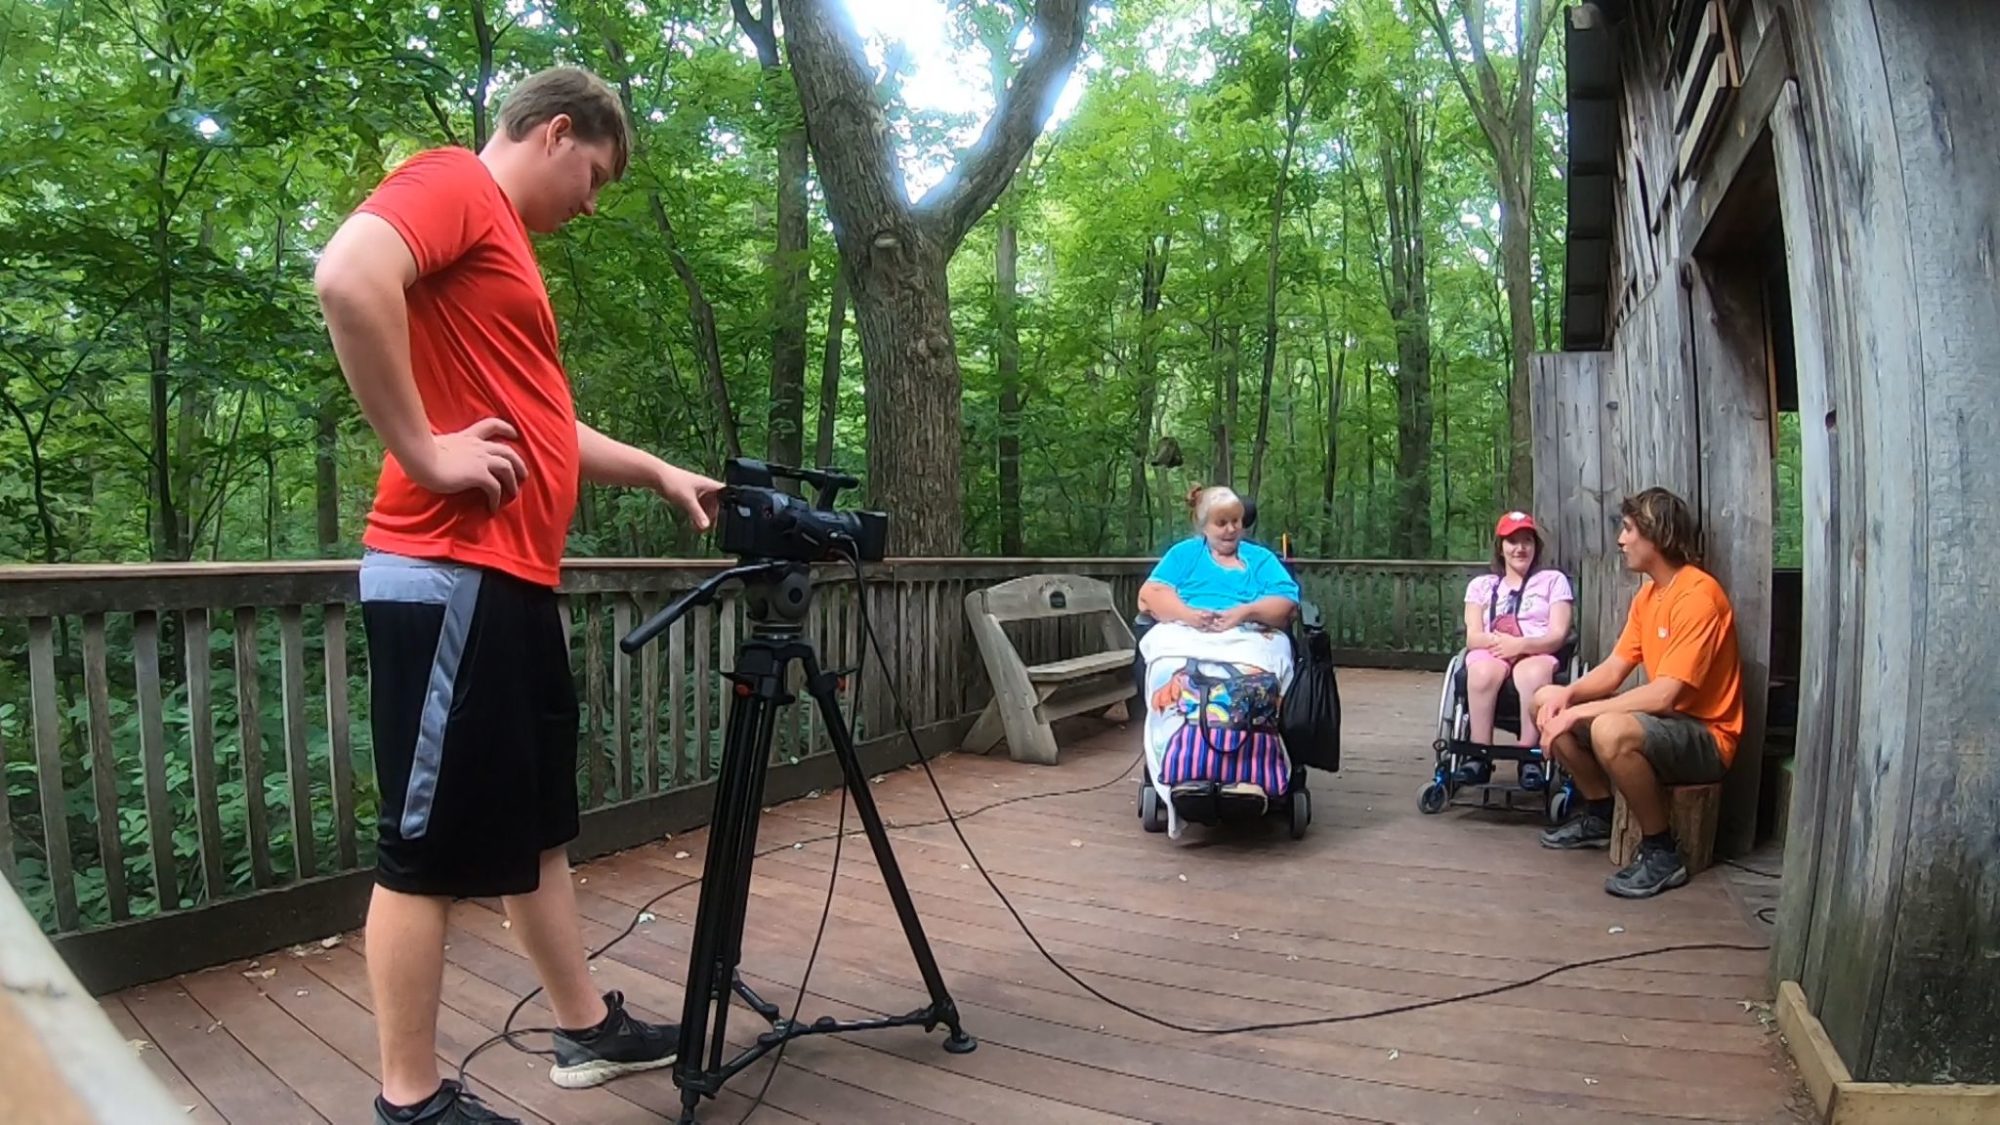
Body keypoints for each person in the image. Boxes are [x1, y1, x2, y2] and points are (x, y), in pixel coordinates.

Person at [314, 67, 721, 1125]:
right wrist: (423, 450)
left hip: (509, 580)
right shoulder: (454, 182)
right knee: (425, 853)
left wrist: (661, 471)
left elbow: (548, 429)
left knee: (534, 828)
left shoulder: (503, 254)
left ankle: (585, 1029)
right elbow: (346, 276)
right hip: (447, 569)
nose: (591, 204)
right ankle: (409, 1100)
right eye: (593, 176)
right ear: (553, 132)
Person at [1532, 488, 1744, 899]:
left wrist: (1578, 713)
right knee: (1545, 699)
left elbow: (1665, 695)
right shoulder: (1648, 596)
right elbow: (1613, 670)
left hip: (1707, 737)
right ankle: (1599, 813)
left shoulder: (1698, 596)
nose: (1621, 540)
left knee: (1609, 730)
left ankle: (1662, 853)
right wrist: (1567, 696)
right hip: (1666, 726)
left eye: (1629, 530)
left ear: (1657, 535)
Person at [1461, 512, 1574, 772]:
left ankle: (1529, 754)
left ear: (1536, 546)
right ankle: (1479, 753)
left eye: (1527, 541)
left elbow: (1558, 634)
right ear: (1501, 547)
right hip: (1492, 648)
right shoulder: (1482, 586)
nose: (1520, 548)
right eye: (1512, 541)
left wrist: (1520, 646)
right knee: (1481, 671)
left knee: (1533, 673)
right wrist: (1498, 643)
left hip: (1537, 649)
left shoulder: (1553, 581)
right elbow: (1472, 636)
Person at [1138, 486, 1300, 634]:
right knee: (1174, 663)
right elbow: (1150, 595)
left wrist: (1246, 612)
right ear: (1204, 527)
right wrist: (1188, 615)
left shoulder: (1261, 558)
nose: (1231, 529)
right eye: (1221, 523)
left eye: (1235, 521)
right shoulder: (1184, 553)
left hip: (1248, 634)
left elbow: (1288, 604)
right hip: (1186, 632)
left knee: (1254, 663)